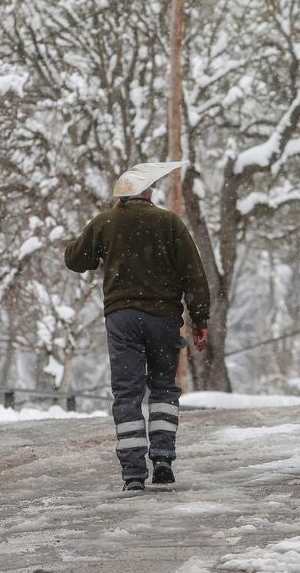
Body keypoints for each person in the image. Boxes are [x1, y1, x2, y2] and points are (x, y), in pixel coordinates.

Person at [64, 162, 211, 492]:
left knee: (127, 393)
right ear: (148, 193)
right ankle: (162, 457)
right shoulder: (169, 222)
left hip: (122, 319)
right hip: (163, 318)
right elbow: (194, 274)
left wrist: (101, 225)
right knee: (163, 388)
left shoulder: (106, 222)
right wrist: (200, 320)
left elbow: (75, 259)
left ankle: (133, 473)